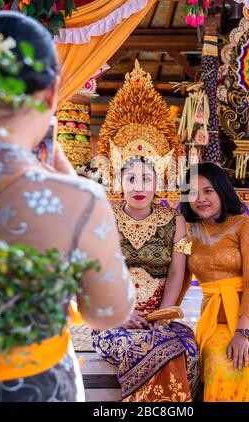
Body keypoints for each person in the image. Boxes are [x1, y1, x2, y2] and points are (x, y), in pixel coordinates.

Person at [0, 11, 134, 402]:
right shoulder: (77, 201)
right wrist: (72, 190)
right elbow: (108, 312)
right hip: (33, 387)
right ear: (53, 93)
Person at [92, 61, 200, 402]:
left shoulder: (175, 221)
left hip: (159, 319)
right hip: (114, 320)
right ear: (118, 181)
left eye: (147, 178)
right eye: (131, 178)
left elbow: (176, 273)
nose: (139, 186)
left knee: (185, 349)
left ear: (160, 181)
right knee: (154, 349)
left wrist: (163, 318)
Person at [181, 161, 249, 402]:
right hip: (216, 321)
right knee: (221, 364)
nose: (200, 198)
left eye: (208, 190)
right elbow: (179, 279)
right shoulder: (188, 234)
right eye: (193, 192)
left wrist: (242, 332)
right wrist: (164, 315)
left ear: (222, 190)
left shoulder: (247, 226)